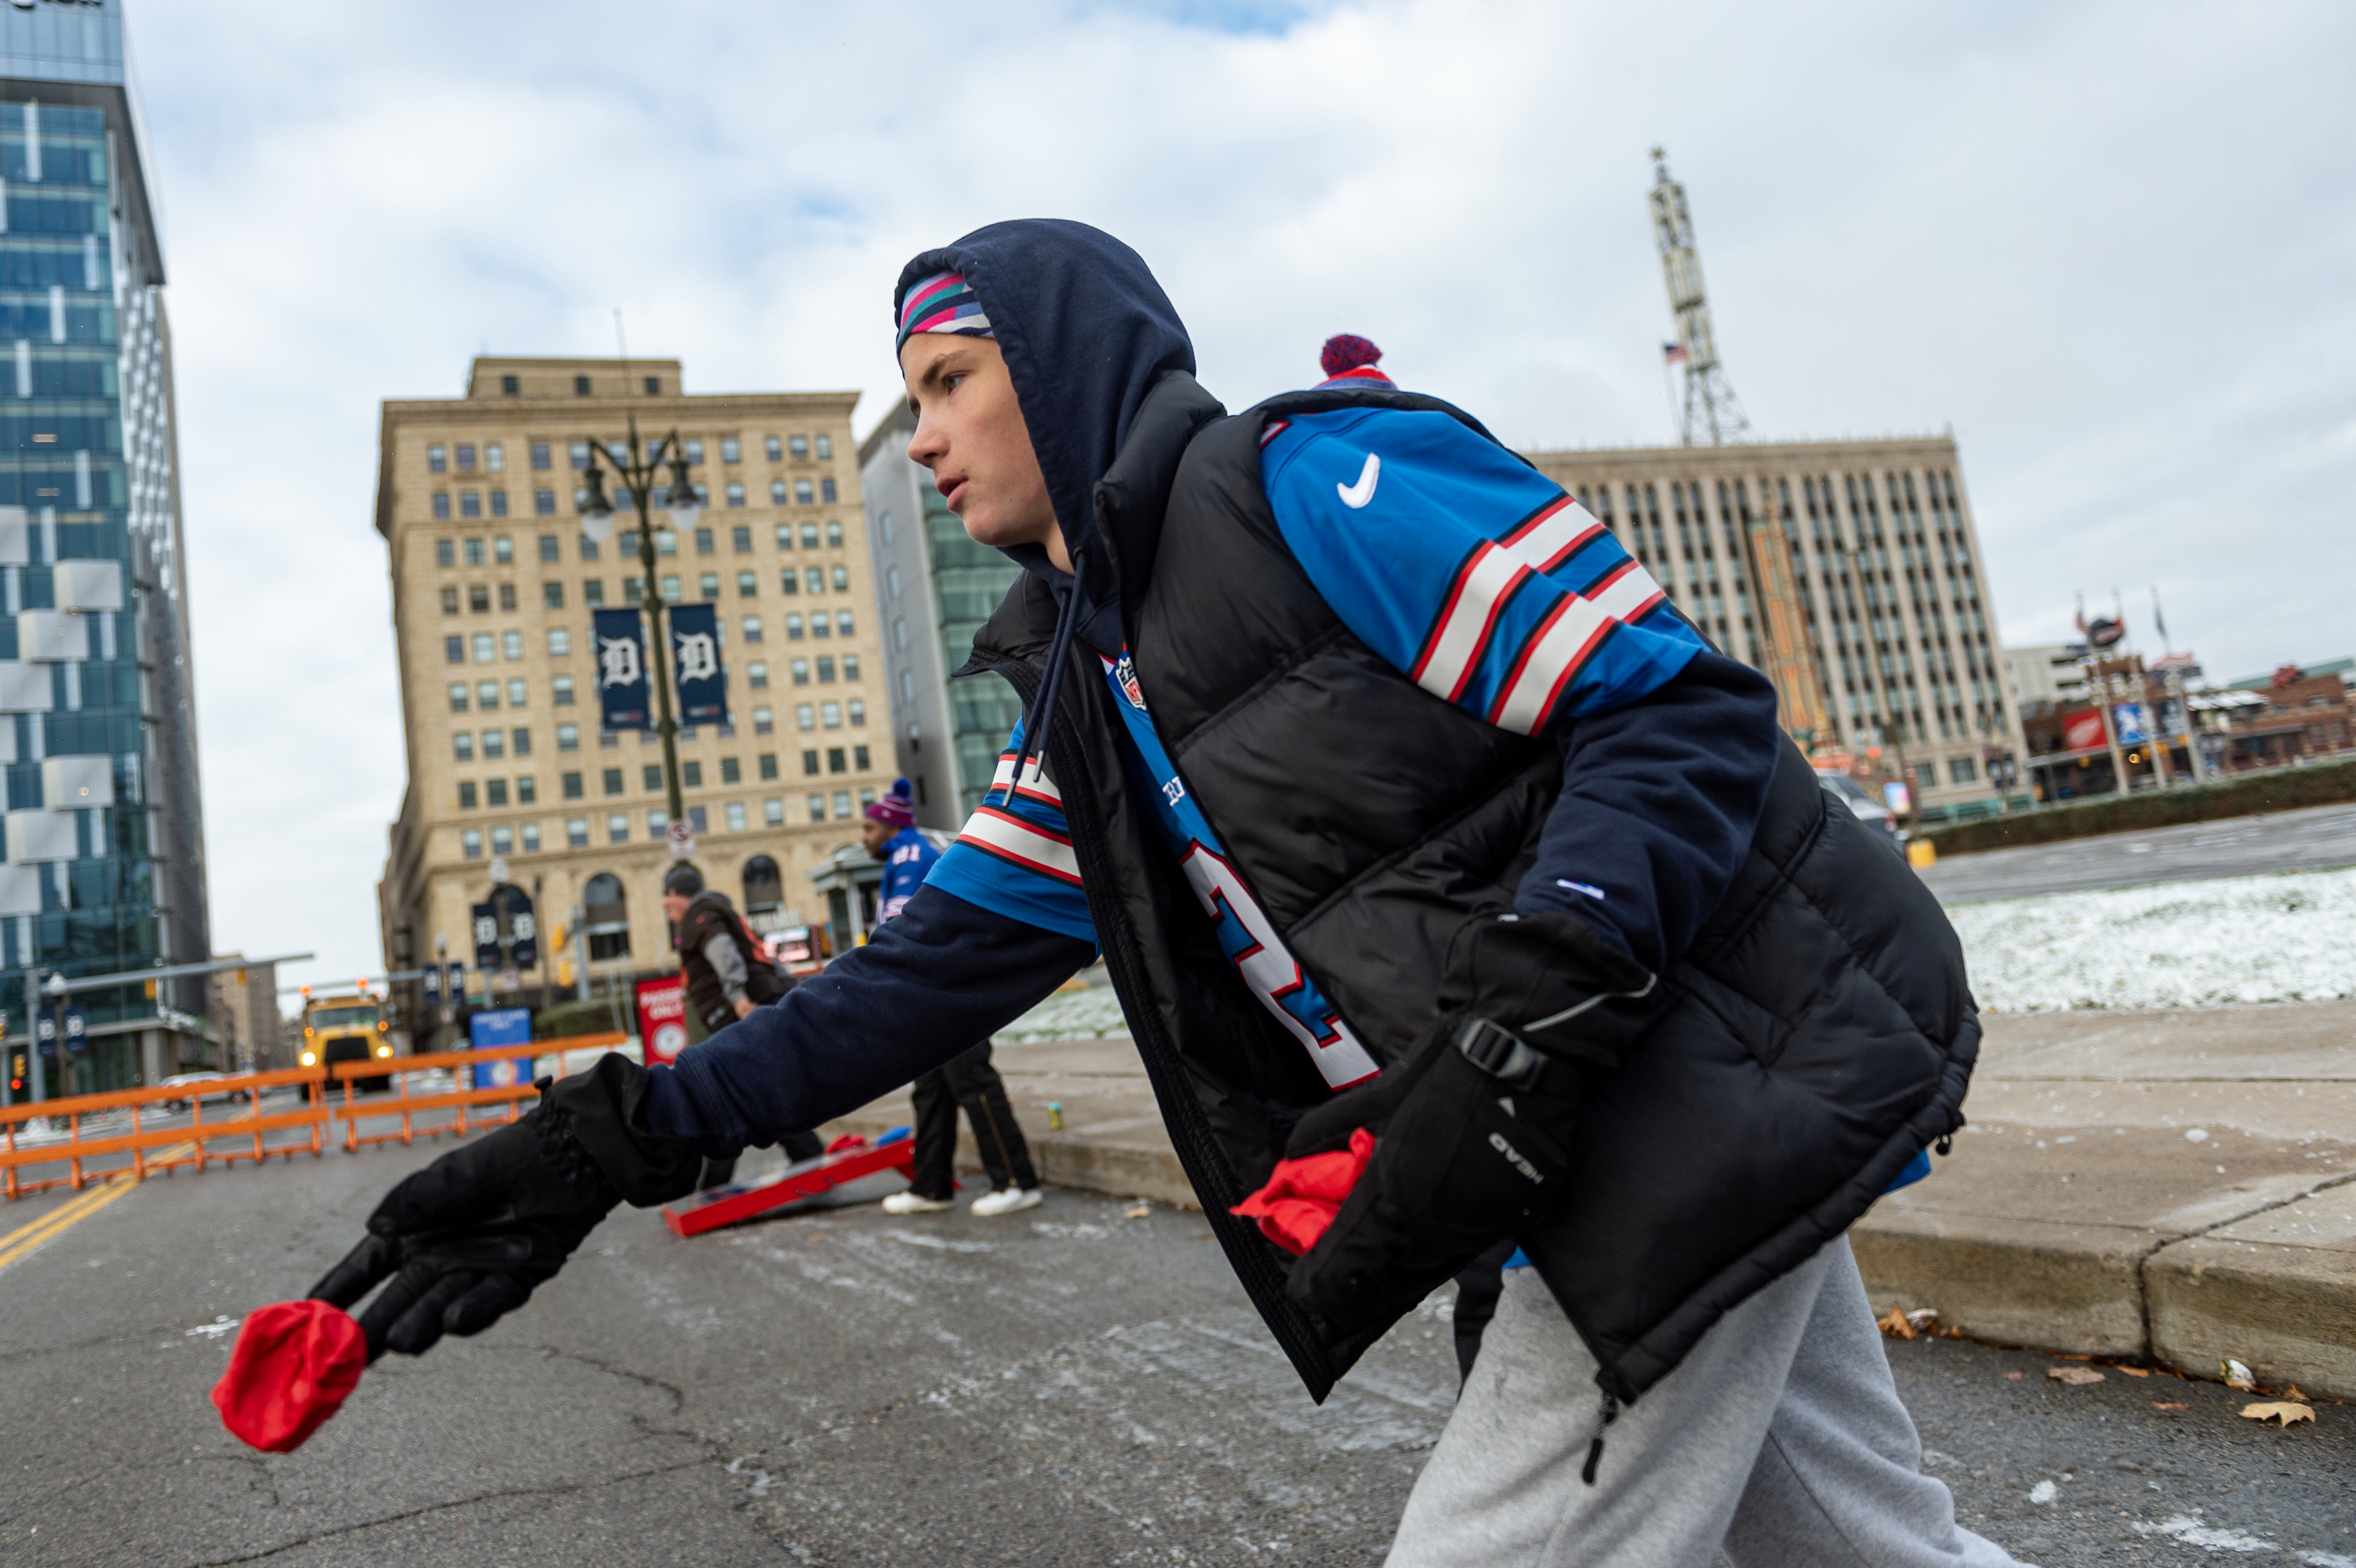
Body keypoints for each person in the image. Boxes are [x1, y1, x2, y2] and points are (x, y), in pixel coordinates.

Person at [312, 221, 2012, 1567]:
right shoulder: (1088, 707)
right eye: (911, 402)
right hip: (1632, 1115)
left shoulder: (1312, 480)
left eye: (950, 381)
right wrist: (606, 1141)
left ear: (1057, 360)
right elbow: (917, 979)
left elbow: (1674, 708)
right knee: (1860, 1542)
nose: (922, 440)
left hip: (1693, 1077)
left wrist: (1534, 1000)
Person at [859, 779, 1044, 1218]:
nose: (864, 838)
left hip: (945, 988)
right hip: (934, 988)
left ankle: (1017, 1181)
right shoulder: (909, 853)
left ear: (890, 827)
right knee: (933, 1089)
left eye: (869, 829)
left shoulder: (909, 854)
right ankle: (932, 1184)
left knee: (971, 1080)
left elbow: (902, 925)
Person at [661, 863, 819, 1188]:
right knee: (757, 1090)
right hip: (750, 1009)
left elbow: (724, 953)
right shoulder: (721, 911)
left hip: (739, 1013)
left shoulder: (701, 915)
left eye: (667, 897)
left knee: (730, 1093)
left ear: (677, 895)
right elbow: (763, 959)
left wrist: (737, 997)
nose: (664, 905)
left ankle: (717, 1179)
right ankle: (807, 1153)